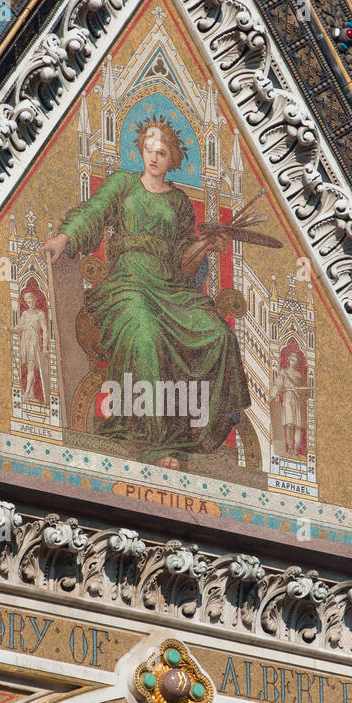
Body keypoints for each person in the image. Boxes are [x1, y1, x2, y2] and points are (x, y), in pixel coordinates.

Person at [40, 118, 250, 467]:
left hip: (169, 288)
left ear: (172, 160)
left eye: (162, 153)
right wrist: (65, 237)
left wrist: (205, 245)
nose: (154, 157)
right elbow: (92, 213)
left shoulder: (180, 202)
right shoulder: (122, 184)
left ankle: (194, 433)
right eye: (149, 150)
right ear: (141, 151)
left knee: (218, 334)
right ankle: (153, 443)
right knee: (146, 337)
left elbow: (185, 263)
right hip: (128, 285)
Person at [271, 350, 310, 457]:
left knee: (298, 425)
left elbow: (306, 390)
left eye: (296, 360)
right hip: (288, 398)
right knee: (289, 424)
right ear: (288, 360)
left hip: (298, 400)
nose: (294, 362)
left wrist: (301, 391)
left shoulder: (299, 375)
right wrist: (273, 395)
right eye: (292, 360)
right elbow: (278, 385)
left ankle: (296, 448)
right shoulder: (284, 372)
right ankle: (290, 446)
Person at [17, 287, 48, 403]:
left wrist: (45, 347)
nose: (30, 303)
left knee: (31, 367)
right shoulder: (25, 313)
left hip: (34, 340)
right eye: (28, 302)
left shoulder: (40, 313)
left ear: (35, 300)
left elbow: (45, 330)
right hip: (25, 340)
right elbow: (19, 327)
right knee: (29, 368)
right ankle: (31, 394)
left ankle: (26, 394)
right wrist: (9, 329)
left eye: (32, 301)